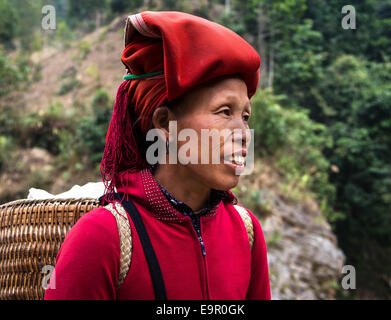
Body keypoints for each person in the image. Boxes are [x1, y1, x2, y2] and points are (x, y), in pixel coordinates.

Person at [44, 10, 271, 300]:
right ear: (165, 123)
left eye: (246, 116)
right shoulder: (103, 238)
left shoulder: (246, 232)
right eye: (225, 112)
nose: (243, 133)